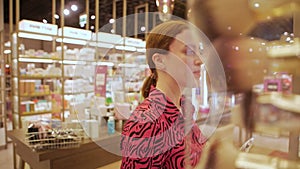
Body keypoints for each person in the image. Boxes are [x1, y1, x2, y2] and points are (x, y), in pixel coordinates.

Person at [120, 20, 206, 169]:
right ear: (159, 60)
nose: (199, 60)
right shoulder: (146, 122)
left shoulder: (185, 108)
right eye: (189, 52)